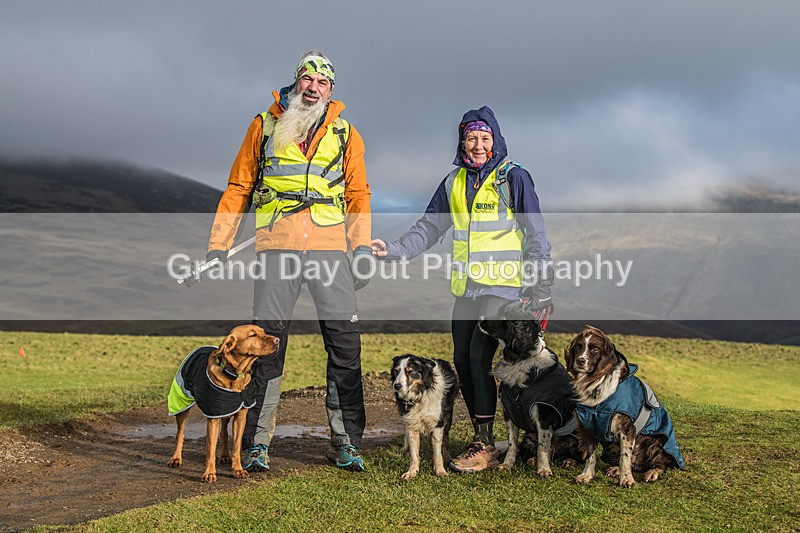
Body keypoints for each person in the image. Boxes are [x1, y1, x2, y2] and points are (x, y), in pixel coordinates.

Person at [207, 50, 373, 472]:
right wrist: (218, 245)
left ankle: (346, 443)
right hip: (276, 249)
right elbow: (238, 187)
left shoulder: (346, 133)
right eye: (307, 79)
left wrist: (363, 248)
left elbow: (358, 195)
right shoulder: (263, 126)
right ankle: (257, 443)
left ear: (331, 90)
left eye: (322, 82)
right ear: (296, 82)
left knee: (344, 347)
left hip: (330, 250)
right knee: (266, 350)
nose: (313, 87)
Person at [372, 106, 553, 473]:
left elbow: (535, 232)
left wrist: (541, 286)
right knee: (461, 362)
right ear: (462, 141)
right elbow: (428, 228)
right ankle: (482, 434)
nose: (478, 145)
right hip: (467, 289)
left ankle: (485, 444)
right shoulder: (453, 182)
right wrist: (393, 251)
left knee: (477, 359)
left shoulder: (513, 178)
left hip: (503, 288)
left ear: (496, 141)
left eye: (485, 138)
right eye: (471, 138)